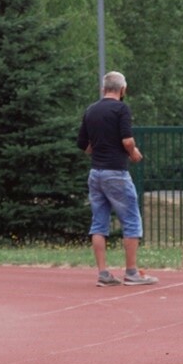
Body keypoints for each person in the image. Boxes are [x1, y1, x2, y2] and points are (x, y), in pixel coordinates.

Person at [76, 71, 158, 287]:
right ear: (123, 90)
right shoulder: (121, 109)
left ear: (103, 89)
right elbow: (127, 140)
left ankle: (103, 273)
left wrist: (99, 148)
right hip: (116, 172)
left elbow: (83, 144)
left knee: (99, 223)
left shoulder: (91, 110)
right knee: (131, 221)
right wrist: (134, 153)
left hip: (96, 173)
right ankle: (132, 272)